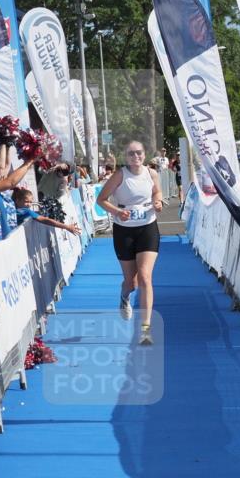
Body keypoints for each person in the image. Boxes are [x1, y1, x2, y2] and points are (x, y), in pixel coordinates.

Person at [96, 141, 162, 346]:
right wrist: (117, 212)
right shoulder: (119, 175)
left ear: (144, 154)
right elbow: (101, 199)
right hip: (124, 230)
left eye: (139, 152)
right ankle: (124, 295)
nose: (136, 156)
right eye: (131, 153)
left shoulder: (152, 174)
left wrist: (158, 202)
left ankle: (145, 329)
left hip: (148, 226)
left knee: (144, 277)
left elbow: (156, 193)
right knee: (131, 282)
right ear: (126, 156)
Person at [12, 188, 82, 235]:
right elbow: (45, 220)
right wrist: (66, 227)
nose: (29, 205)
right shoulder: (27, 211)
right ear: (17, 200)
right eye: (26, 202)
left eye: (31, 202)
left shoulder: (11, 207)